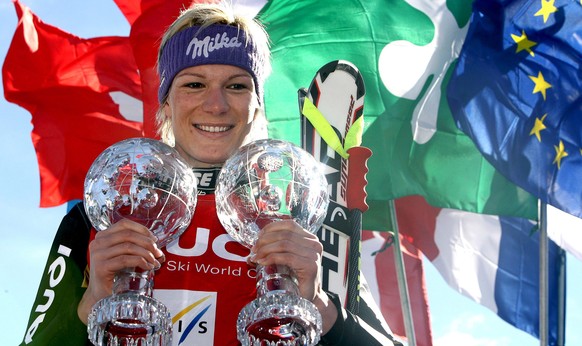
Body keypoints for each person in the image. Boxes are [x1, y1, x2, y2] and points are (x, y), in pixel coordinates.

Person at [21, 2, 401, 345]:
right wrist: (91, 305)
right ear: (166, 103)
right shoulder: (99, 221)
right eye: (194, 84)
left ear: (256, 106)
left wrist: (320, 307)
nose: (215, 104)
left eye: (236, 86)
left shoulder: (302, 227)